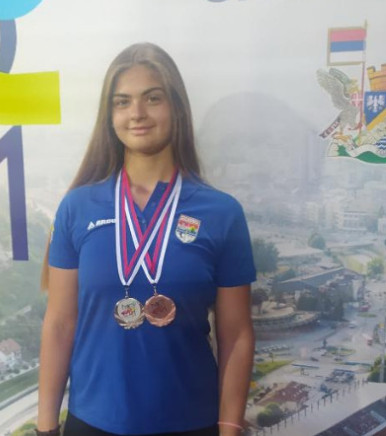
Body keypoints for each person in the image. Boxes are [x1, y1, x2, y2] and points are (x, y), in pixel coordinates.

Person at [37, 42, 256, 436]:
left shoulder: (222, 213)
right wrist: (45, 427)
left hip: (191, 423)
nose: (137, 113)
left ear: (176, 107)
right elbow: (59, 324)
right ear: (110, 116)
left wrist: (229, 428)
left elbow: (237, 334)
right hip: (93, 423)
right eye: (122, 102)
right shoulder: (77, 207)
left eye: (152, 98)